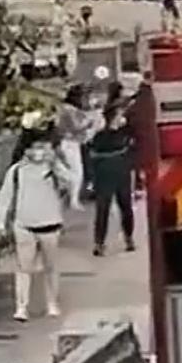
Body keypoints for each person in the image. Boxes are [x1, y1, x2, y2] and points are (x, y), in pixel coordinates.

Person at [0, 116, 75, 321]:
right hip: (24, 225)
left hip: (50, 224)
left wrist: (56, 164)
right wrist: (0, 223)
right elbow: (5, 197)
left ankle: (52, 303)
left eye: (43, 147)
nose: (39, 152)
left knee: (51, 267)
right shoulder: (16, 172)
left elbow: (71, 181)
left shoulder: (53, 169)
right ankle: (21, 307)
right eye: (35, 147)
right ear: (26, 149)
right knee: (23, 268)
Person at [88, 101, 136, 255]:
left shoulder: (125, 133)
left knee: (125, 208)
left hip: (118, 174)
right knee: (104, 210)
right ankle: (100, 243)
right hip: (108, 175)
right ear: (113, 118)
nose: (122, 117)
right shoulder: (102, 137)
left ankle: (128, 238)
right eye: (120, 115)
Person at [55, 84, 91, 211]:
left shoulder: (70, 109)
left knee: (75, 172)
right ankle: (71, 199)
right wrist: (88, 122)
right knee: (75, 173)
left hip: (72, 143)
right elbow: (76, 126)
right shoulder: (69, 109)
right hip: (69, 143)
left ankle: (70, 198)